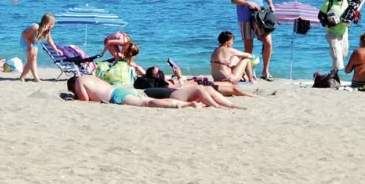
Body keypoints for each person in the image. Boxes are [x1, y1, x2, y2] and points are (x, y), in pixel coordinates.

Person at [65, 74, 240, 109]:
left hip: (115, 96)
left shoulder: (80, 81)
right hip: (121, 89)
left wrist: (74, 98)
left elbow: (85, 99)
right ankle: (230, 106)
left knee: (148, 103)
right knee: (145, 99)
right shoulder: (89, 76)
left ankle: (186, 104)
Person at [229, 0, 275, 81]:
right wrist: (248, 2)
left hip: (260, 18)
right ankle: (247, 73)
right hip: (245, 18)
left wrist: (270, 4)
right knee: (248, 48)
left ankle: (265, 71)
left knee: (268, 42)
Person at [319, 0, 350, 80]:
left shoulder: (348, 1)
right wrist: (328, 23)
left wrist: (356, 18)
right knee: (336, 53)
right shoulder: (330, 2)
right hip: (331, 31)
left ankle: (334, 72)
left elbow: (353, 15)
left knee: (343, 54)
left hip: (344, 31)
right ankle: (335, 74)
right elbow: (320, 16)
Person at [20, 13, 55, 82]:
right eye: (52, 23)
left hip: (34, 41)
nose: (53, 25)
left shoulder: (47, 29)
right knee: (31, 59)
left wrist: (55, 49)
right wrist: (31, 47)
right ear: (48, 23)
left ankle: (36, 78)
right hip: (26, 41)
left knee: (34, 58)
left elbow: (49, 39)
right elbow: (24, 35)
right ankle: (22, 77)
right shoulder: (36, 27)